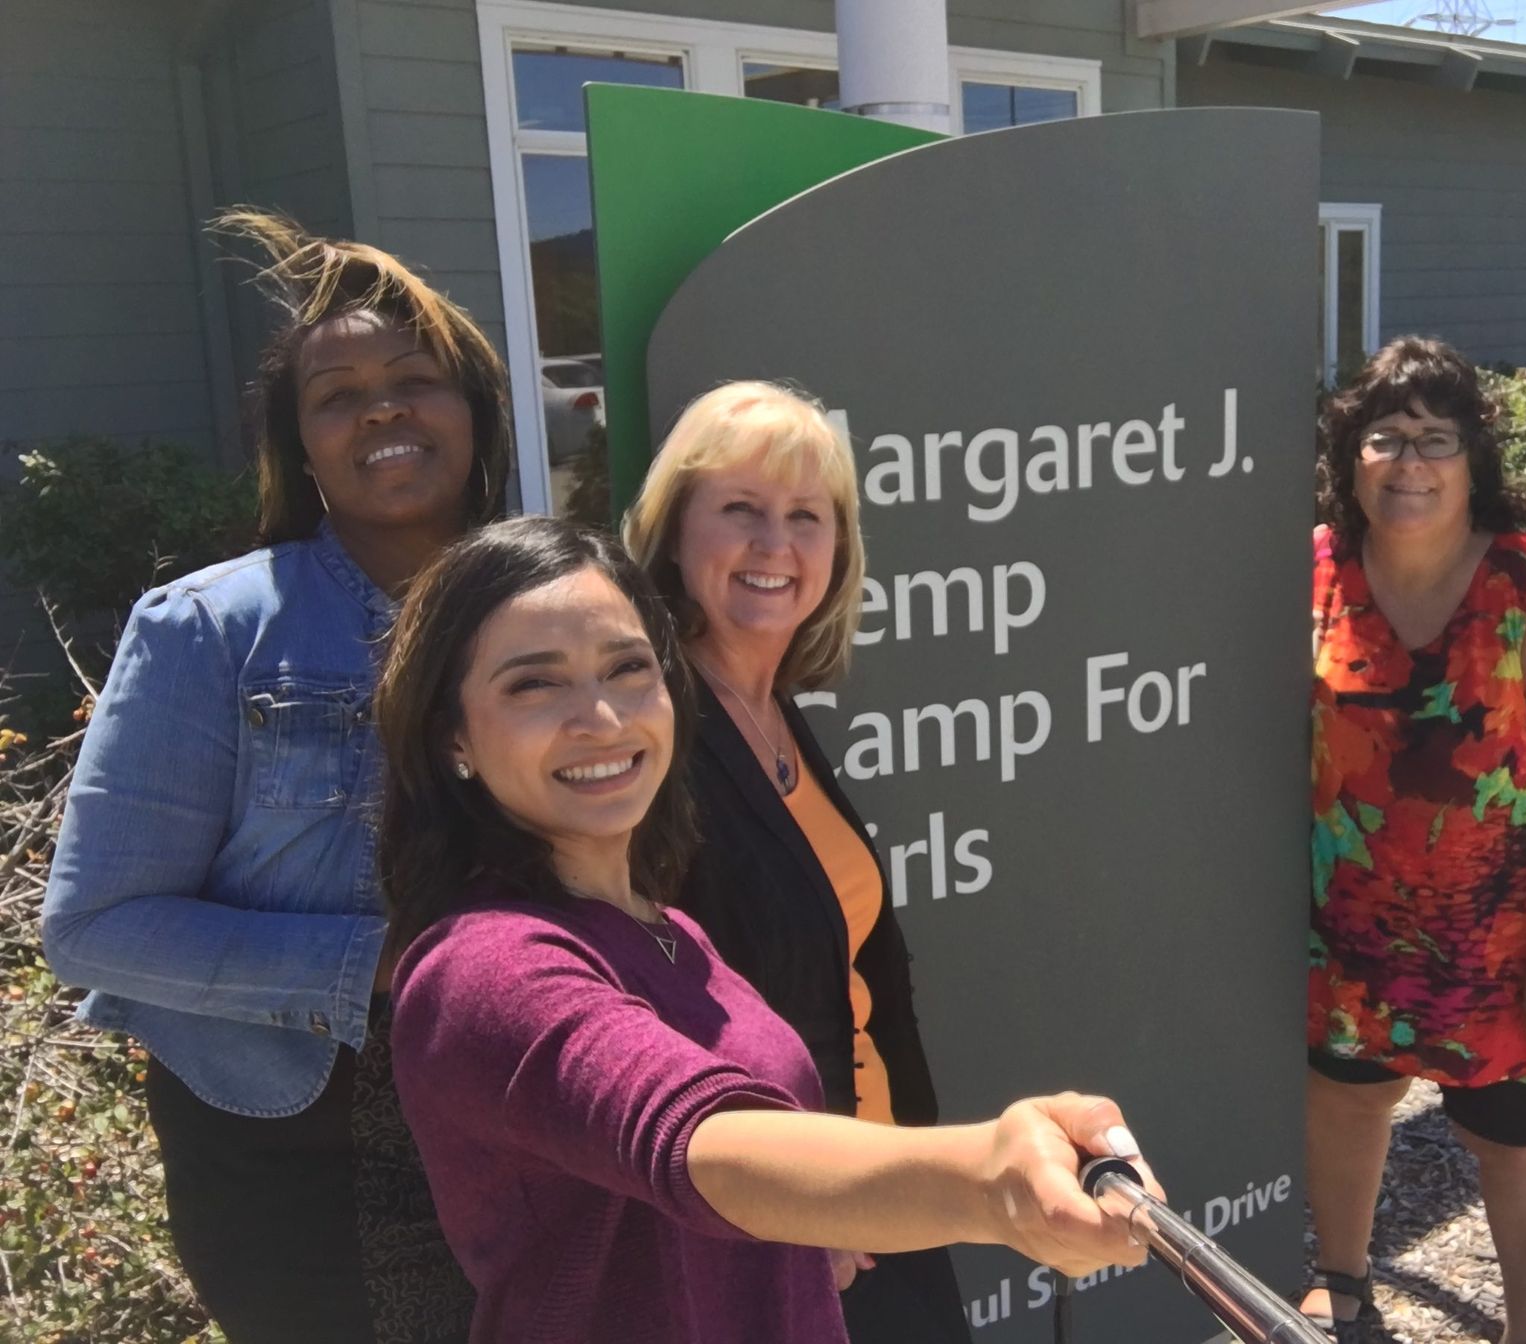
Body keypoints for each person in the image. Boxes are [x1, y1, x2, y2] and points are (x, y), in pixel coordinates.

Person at [374, 516, 1154, 1344]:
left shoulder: (669, 928)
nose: (600, 716)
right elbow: (692, 1140)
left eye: (629, 668)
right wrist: (991, 1184)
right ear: (452, 735)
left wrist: (812, 1225)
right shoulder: (484, 968)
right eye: (535, 684)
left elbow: (743, 1173)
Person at [40, 211, 509, 1342]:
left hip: (516, 1132)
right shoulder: (211, 629)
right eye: (338, 396)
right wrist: (384, 966)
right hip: (303, 1163)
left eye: (414, 379)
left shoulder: (546, 609)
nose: (383, 407)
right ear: (303, 451)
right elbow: (95, 926)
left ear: (475, 412)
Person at [1305, 337, 1526, 1344]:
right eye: (1385, 437)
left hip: (1511, 941)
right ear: (1350, 455)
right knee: (1346, 1101)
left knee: (1521, 1141)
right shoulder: (1316, 570)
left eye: (1436, 440)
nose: (1410, 462)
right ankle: (1342, 1278)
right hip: (1353, 929)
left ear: (1474, 462)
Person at [622, 380, 966, 1338]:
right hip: (785, 1219)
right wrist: (800, 1198)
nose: (776, 545)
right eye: (740, 509)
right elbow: (654, 1007)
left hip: (881, 1173)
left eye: (806, 516)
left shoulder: (772, 713)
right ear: (674, 531)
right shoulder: (653, 728)